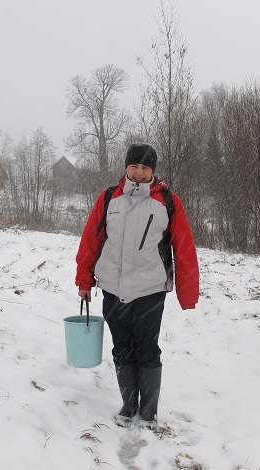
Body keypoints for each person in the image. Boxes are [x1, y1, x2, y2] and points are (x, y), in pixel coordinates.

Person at [75, 142, 199, 428]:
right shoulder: (108, 198)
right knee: (122, 348)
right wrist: (84, 279)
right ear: (126, 167)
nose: (140, 172)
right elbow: (90, 243)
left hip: (150, 289)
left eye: (145, 167)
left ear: (153, 171)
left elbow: (184, 248)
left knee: (147, 348)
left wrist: (187, 292)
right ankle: (129, 405)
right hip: (112, 288)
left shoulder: (168, 200)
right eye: (135, 166)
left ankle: (148, 413)